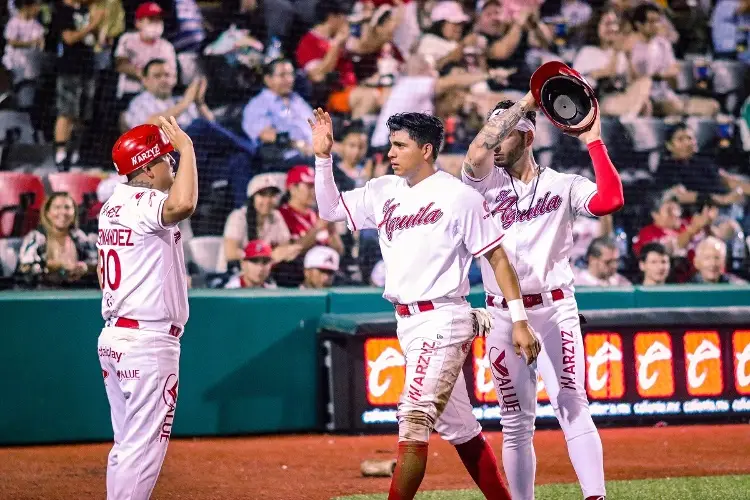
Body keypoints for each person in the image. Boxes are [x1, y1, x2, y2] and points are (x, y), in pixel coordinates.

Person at [310, 108, 539, 500]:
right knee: (462, 430)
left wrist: (519, 319)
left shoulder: (458, 196)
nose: (391, 152)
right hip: (408, 323)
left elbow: (498, 257)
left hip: (444, 318)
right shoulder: (383, 190)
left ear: (427, 149)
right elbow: (330, 209)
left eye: (401, 145)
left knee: (414, 418)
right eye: (391, 144)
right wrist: (323, 158)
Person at [443, 93, 625, 500]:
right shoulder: (482, 182)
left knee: (571, 402)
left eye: (504, 136)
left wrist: (594, 140)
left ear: (527, 138)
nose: (494, 144)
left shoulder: (562, 184)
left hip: (554, 308)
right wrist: (523, 103)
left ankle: (595, 496)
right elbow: (474, 154)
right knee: (515, 421)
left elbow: (610, 200)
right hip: (502, 316)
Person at [96, 116, 196, 499]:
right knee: (143, 448)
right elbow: (183, 203)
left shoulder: (112, 205)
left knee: (127, 445)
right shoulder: (146, 204)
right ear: (148, 170)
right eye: (166, 159)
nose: (171, 164)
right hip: (147, 342)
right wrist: (186, 148)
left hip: (116, 337)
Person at [18, 192, 97, 287]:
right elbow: (24, 268)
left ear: (74, 212)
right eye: (57, 207)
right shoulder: (36, 238)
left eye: (67, 207)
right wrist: (53, 266)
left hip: (77, 294)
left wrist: (85, 268)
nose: (63, 212)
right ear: (47, 213)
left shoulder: (80, 237)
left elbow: (99, 263)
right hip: (41, 294)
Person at [113, 2, 177, 101]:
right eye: (151, 20)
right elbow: (121, 65)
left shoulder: (167, 46)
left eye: (158, 20)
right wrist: (145, 74)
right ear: (138, 23)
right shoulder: (128, 39)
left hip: (157, 95)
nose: (156, 23)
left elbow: (173, 75)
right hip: (130, 93)